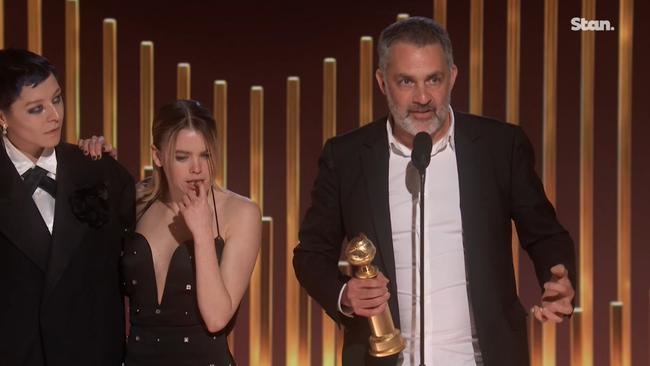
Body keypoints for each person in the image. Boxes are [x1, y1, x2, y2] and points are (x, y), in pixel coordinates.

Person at [293, 17, 575, 366]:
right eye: (406, 82)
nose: (423, 98)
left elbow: (546, 234)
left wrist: (558, 275)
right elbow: (310, 255)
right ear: (383, 82)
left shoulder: (499, 146)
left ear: (453, 77)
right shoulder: (348, 156)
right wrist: (344, 295)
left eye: (434, 80)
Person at [86, 100, 260, 365]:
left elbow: (217, 318)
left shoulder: (240, 212)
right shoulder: (136, 202)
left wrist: (202, 234)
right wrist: (94, 166)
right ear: (157, 156)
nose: (197, 168)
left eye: (205, 155)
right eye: (182, 157)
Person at [0, 48, 135, 365]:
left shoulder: (99, 170)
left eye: (57, 99)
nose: (55, 115)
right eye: (36, 108)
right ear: (2, 116)